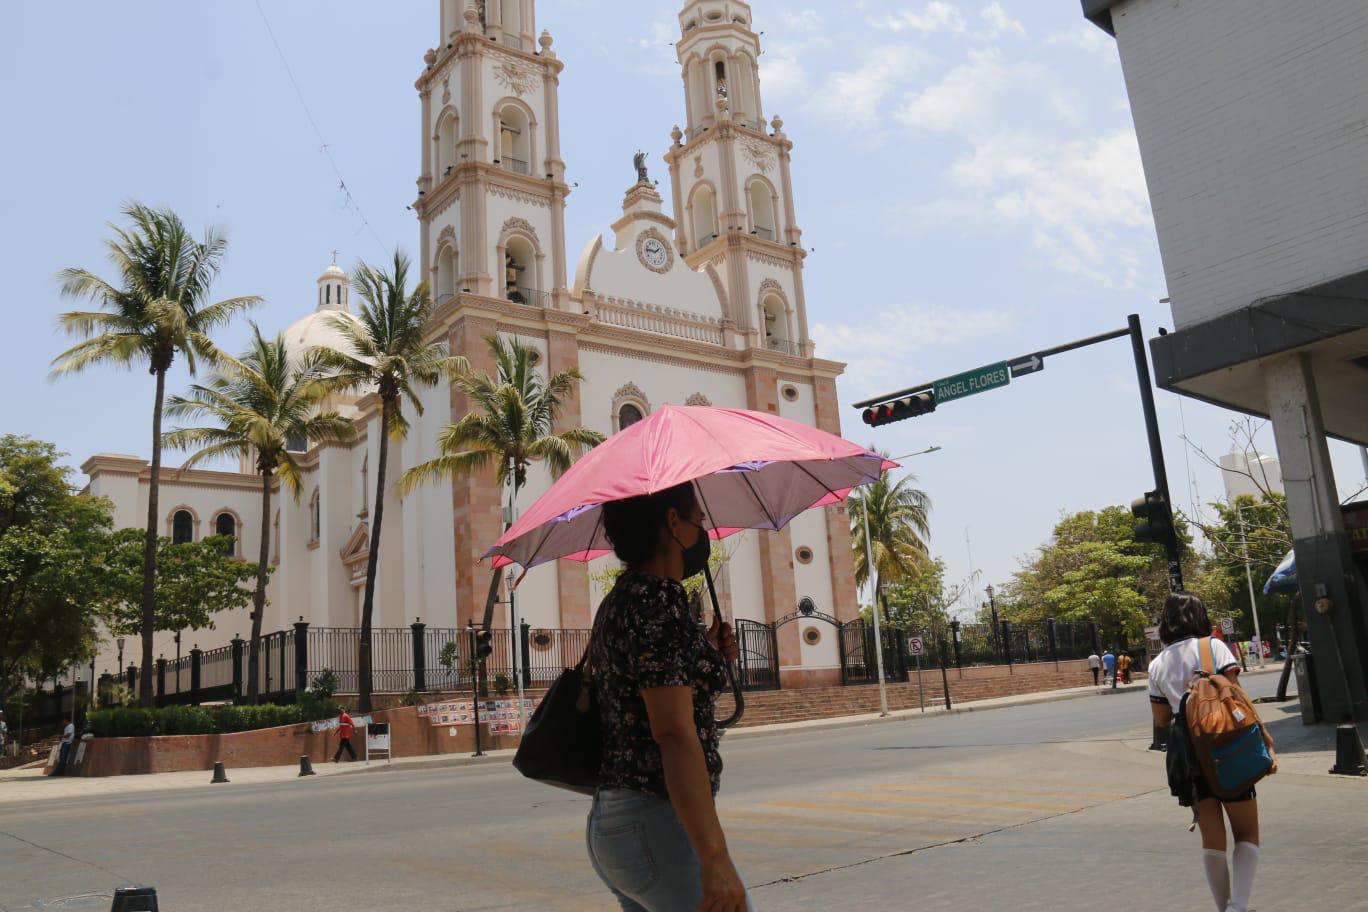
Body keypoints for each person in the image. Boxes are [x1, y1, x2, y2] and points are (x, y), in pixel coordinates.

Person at [587, 482, 750, 912]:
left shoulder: (621, 600)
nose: (703, 532)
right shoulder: (657, 604)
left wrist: (708, 655)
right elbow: (673, 733)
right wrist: (714, 857)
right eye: (698, 519)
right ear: (673, 523)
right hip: (655, 818)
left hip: (615, 820)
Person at [1149, 593, 1276, 912]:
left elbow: (1161, 720)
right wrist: (1267, 743)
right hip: (1225, 743)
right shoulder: (1213, 647)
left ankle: (1223, 908)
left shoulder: (1157, 664)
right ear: (1199, 616)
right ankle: (1241, 905)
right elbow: (1239, 700)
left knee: (1212, 838)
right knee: (1246, 831)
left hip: (1188, 753)